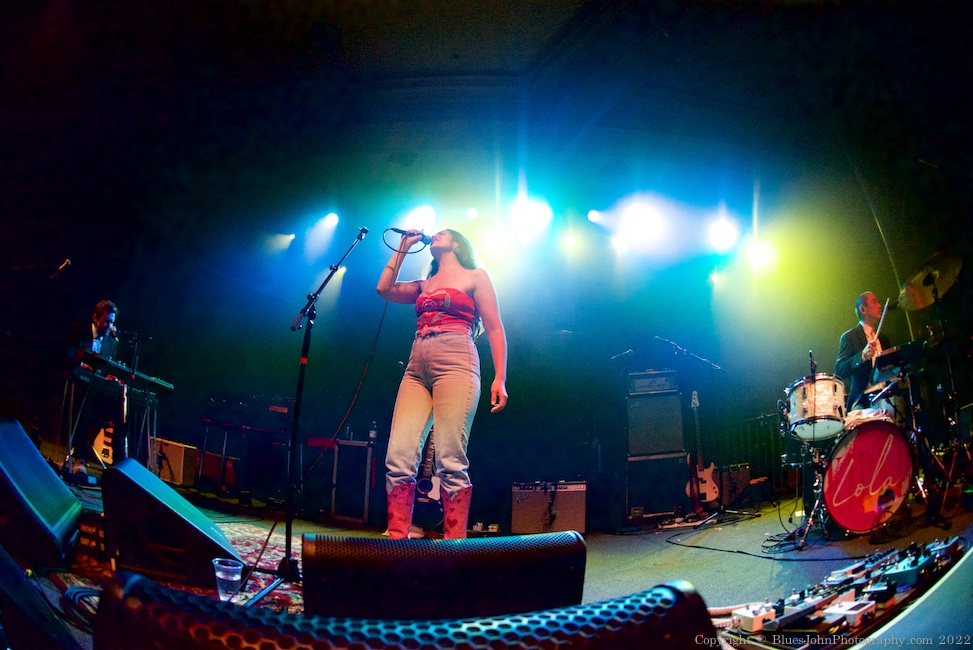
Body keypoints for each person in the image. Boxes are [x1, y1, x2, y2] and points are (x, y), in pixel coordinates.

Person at [377, 229, 508, 539]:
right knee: (398, 457)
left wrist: (499, 377)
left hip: (457, 359)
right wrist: (403, 246)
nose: (434, 235)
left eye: (443, 233)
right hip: (416, 363)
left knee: (450, 459)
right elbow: (384, 288)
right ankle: (397, 538)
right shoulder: (425, 284)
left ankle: (454, 546)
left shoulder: (476, 276)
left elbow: (493, 327)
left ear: (459, 243)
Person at [64, 300, 122, 472]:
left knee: (118, 406)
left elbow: (106, 368)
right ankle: (79, 455)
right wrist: (83, 365)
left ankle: (118, 464)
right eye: (106, 321)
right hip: (77, 381)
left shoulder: (111, 343)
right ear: (95, 317)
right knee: (88, 404)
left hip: (97, 388)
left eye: (112, 322)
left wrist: (109, 377)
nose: (109, 325)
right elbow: (67, 356)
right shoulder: (79, 332)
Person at [834, 291, 892, 413]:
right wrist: (861, 356)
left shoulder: (884, 338)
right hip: (863, 399)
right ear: (863, 309)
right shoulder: (850, 337)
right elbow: (839, 371)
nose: (879, 305)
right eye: (874, 302)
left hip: (888, 394)